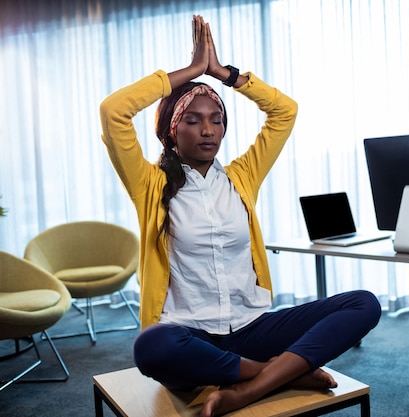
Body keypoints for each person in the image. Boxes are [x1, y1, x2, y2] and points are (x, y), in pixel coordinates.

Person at [99, 15, 381, 417]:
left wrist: (225, 75)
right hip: (190, 338)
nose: (208, 130)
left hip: (252, 329)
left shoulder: (241, 177)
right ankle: (280, 373)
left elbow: (285, 111)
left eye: (216, 119)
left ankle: (246, 388)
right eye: (193, 121)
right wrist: (191, 72)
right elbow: (113, 112)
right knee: (150, 346)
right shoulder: (150, 185)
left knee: (363, 304)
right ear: (171, 131)